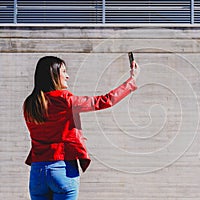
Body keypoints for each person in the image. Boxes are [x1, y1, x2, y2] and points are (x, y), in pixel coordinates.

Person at [23, 56, 139, 200]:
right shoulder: (65, 100)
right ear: (53, 75)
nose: (67, 76)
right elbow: (104, 101)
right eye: (64, 72)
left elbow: (47, 131)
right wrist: (131, 80)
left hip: (37, 172)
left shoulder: (30, 103)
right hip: (62, 168)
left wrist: (75, 136)